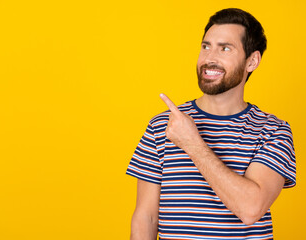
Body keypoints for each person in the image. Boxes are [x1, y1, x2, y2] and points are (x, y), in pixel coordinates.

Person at [126, 8, 296, 240]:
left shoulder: (273, 130)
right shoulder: (162, 125)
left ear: (252, 61)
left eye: (225, 48)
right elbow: (147, 216)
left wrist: (192, 143)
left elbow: (250, 209)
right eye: (206, 46)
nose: (209, 58)